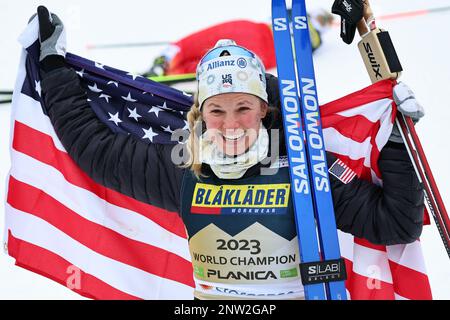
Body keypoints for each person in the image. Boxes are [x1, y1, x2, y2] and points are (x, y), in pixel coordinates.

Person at [35, 6, 425, 300]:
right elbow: (97, 153)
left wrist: (393, 139)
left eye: (243, 108)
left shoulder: (304, 167)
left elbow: (393, 223)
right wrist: (53, 69)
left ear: (263, 109)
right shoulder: (184, 166)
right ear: (201, 115)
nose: (231, 124)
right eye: (217, 111)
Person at [143, 9, 334, 77]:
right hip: (262, 54)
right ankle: (174, 69)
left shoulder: (297, 14)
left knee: (197, 42)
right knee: (217, 62)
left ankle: (166, 61)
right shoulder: (314, 43)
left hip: (254, 31)